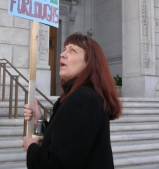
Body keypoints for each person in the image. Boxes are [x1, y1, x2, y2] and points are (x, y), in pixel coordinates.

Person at [23, 32, 122, 169]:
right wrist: (39, 121)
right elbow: (70, 140)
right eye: (64, 49)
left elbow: (59, 163)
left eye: (73, 50)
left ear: (89, 63)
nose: (62, 54)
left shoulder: (83, 98)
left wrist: (32, 148)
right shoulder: (78, 96)